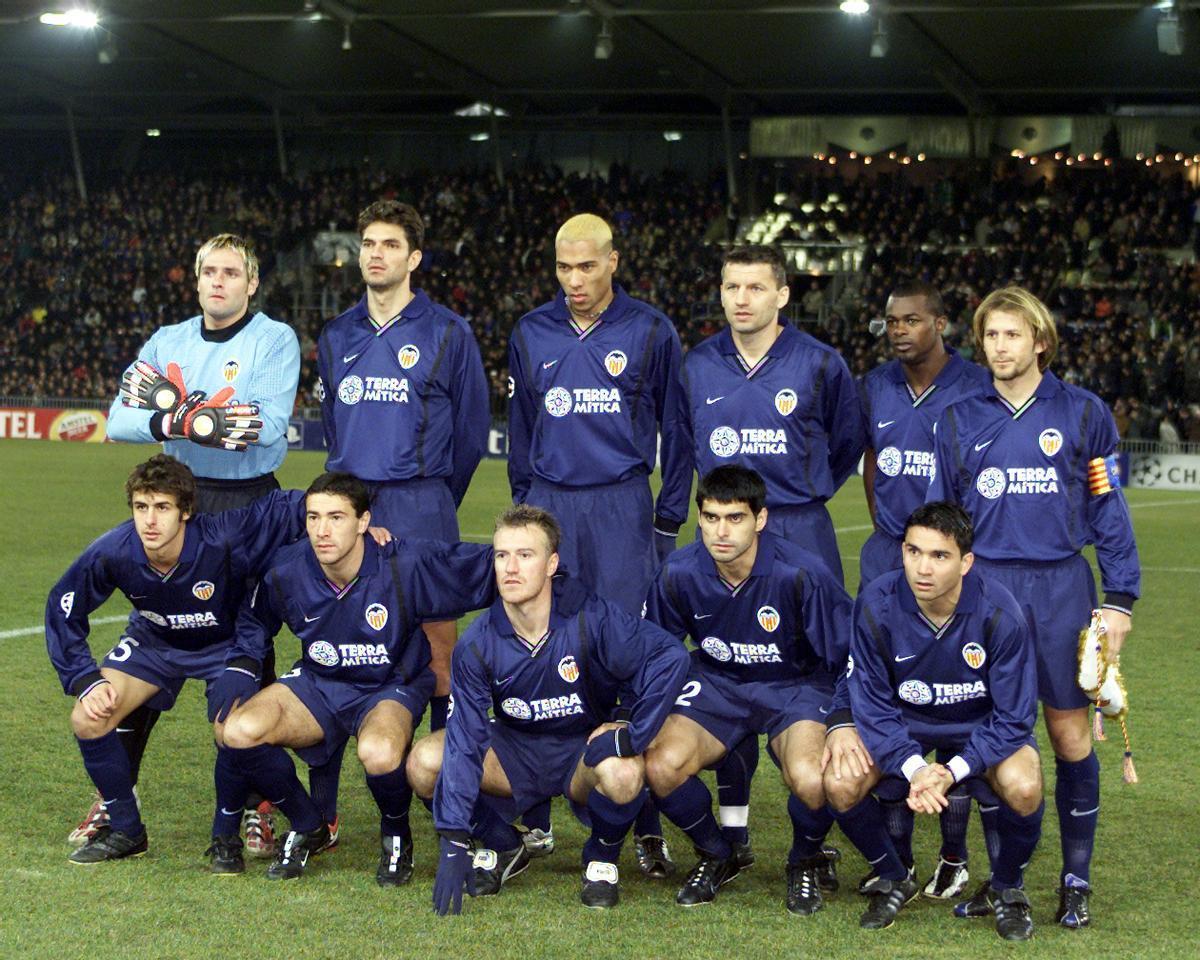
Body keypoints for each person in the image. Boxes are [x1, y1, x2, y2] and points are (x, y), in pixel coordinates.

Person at [928, 285, 1141, 928]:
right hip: (985, 591)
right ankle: (1006, 879)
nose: (999, 347)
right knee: (990, 739)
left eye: (1012, 335)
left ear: (1040, 341)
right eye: (990, 336)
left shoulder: (1083, 414)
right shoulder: (959, 418)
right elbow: (944, 519)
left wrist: (1120, 599)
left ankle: (1076, 879)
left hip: (1060, 590)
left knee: (1069, 733)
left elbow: (1108, 505)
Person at [90, 233, 300, 856]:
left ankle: (256, 809)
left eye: (230, 273)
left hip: (248, 504)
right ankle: (112, 801)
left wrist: (170, 409)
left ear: (251, 282)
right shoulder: (168, 341)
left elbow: (260, 427)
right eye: (209, 271)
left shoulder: (273, 339)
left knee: (249, 646)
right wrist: (198, 419)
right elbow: (118, 421)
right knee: (155, 635)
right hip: (179, 502)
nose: (217, 282)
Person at [506, 212, 690, 870]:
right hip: (551, 504)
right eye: (563, 267)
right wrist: (526, 513)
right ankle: (532, 819)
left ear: (614, 261)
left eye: (587, 266)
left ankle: (636, 817)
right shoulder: (530, 331)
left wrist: (667, 518)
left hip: (620, 508)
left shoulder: (650, 330)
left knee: (622, 659)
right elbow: (521, 431)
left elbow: (679, 426)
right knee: (535, 648)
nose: (575, 280)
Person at [680, 244, 862, 873]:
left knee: (812, 667)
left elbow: (845, 443)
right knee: (731, 665)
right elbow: (682, 442)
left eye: (756, 287)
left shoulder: (819, 362)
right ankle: (734, 833)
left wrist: (801, 496)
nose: (742, 299)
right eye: (732, 287)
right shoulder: (698, 363)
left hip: (798, 525)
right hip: (724, 531)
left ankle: (813, 839)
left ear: (783, 294)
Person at [408, 505, 688, 913]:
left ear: (552, 564)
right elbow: (466, 740)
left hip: (579, 750)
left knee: (625, 772)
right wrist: (452, 837)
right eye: (502, 555)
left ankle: (600, 858)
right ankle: (504, 843)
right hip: (513, 751)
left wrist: (632, 732)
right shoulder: (477, 642)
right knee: (424, 762)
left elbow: (669, 655)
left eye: (526, 555)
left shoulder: (590, 618)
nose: (511, 568)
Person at [220, 472, 495, 885]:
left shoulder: (403, 563)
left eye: (336, 517)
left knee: (380, 752)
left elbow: (475, 567)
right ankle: (308, 821)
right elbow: (254, 622)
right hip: (319, 683)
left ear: (364, 522)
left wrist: (532, 563)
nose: (322, 531)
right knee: (238, 730)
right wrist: (242, 666)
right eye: (313, 517)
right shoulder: (287, 568)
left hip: (389, 685)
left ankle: (396, 834)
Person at [45, 455, 307, 870]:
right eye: (141, 507)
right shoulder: (114, 550)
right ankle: (127, 830)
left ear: (186, 510)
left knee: (234, 731)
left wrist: (364, 517)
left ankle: (233, 835)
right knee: (87, 717)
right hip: (154, 643)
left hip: (223, 645)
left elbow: (286, 508)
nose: (150, 520)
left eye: (163, 507)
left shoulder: (223, 537)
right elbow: (63, 607)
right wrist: (84, 678)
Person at [825, 502, 1043, 939]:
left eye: (939, 556)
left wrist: (951, 771)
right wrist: (917, 768)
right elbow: (871, 703)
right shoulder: (876, 604)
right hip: (905, 722)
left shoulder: (1000, 614)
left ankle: (1006, 888)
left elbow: (1015, 717)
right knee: (839, 781)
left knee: (1024, 783)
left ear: (966, 563)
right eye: (913, 551)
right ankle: (893, 875)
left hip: (979, 727)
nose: (922, 568)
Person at [641, 466, 854, 914]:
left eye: (735, 518)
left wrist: (841, 721)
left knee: (813, 778)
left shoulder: (800, 573)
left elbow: (849, 656)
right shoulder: (679, 571)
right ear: (698, 518)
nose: (721, 531)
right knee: (661, 765)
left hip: (794, 685)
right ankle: (718, 853)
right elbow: (651, 649)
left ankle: (804, 860)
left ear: (760, 519)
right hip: (718, 683)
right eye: (711, 517)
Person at [316, 199, 489, 745]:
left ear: (414, 257)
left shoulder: (448, 332)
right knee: (345, 642)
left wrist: (435, 495)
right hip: (350, 507)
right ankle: (333, 801)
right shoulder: (336, 335)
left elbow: (471, 432)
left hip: (421, 502)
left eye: (390, 245)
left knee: (439, 647)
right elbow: (332, 425)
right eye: (368, 243)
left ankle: (444, 780)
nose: (376, 254)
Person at [855, 279, 990, 900]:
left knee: (953, 698)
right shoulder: (877, 384)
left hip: (947, 559)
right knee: (893, 694)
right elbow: (872, 464)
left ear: (940, 324)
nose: (899, 330)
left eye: (911, 320)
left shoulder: (972, 386)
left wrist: (951, 552)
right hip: (888, 552)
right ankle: (899, 856)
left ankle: (956, 855)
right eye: (891, 321)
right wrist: (891, 530)